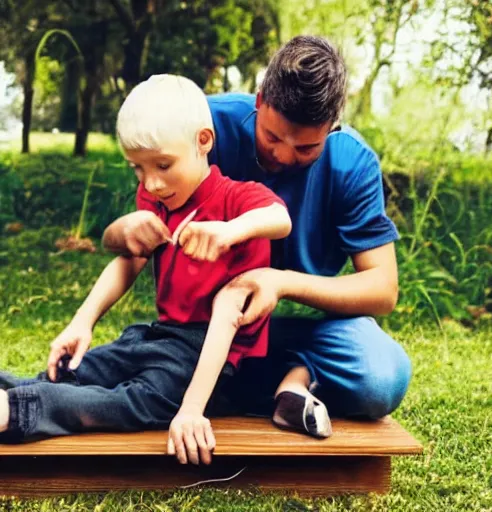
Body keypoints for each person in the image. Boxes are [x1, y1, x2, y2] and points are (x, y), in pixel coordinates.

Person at [0, 74, 291, 466]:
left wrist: (191, 409)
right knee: (80, 369)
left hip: (211, 361)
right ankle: (12, 392)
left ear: (204, 141)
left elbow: (279, 218)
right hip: (156, 338)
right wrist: (82, 322)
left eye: (163, 165)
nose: (151, 183)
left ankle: (15, 411)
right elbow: (128, 261)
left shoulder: (236, 199)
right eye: (138, 168)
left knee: (128, 402)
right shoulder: (161, 199)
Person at [202, 35, 412, 429]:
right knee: (162, 370)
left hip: (300, 331)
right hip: (209, 323)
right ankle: (287, 383)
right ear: (260, 100)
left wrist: (280, 283)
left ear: (332, 127)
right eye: (271, 137)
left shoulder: (352, 162)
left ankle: (289, 376)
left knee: (382, 377)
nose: (283, 156)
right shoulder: (207, 127)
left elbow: (383, 289)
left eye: (305, 149)